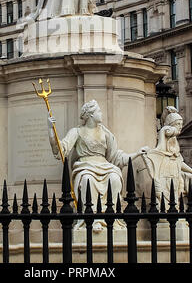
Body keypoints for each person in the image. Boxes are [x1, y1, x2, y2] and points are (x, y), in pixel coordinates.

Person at [48, 99, 148, 231]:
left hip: (104, 166)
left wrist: (136, 153)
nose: (101, 113)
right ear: (90, 114)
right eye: (98, 111)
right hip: (85, 166)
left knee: (114, 178)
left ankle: (110, 218)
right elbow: (61, 149)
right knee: (87, 180)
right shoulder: (77, 132)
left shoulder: (105, 133)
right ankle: (92, 219)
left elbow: (116, 157)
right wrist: (51, 130)